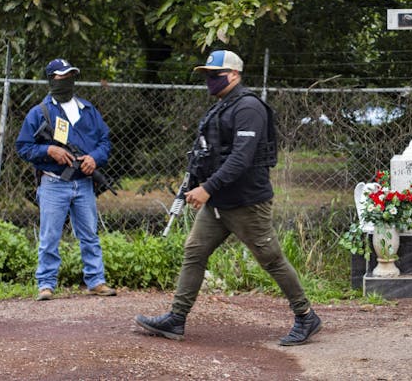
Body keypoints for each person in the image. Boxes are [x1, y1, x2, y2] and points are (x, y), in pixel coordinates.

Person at [135, 50, 322, 346]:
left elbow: (241, 158)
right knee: (194, 251)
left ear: (234, 74)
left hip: (247, 202)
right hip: (219, 202)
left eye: (215, 74)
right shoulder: (223, 106)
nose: (209, 80)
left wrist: (207, 187)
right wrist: (196, 183)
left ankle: (306, 316)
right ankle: (176, 318)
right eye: (207, 75)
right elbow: (210, 152)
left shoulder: (248, 107)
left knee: (271, 259)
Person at [16, 58, 116, 301]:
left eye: (70, 76)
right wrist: (49, 151)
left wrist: (94, 158)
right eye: (61, 77)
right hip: (53, 183)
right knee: (50, 236)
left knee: (89, 234)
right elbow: (23, 147)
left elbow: (105, 141)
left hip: (83, 183)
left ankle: (96, 281)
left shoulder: (88, 110)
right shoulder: (39, 113)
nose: (67, 81)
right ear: (51, 80)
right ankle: (46, 284)